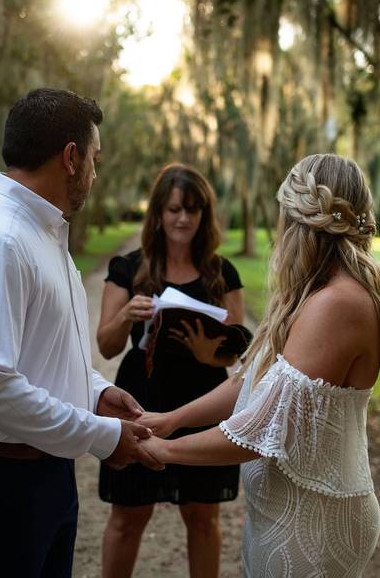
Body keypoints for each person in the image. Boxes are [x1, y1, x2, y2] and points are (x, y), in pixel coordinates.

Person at [0, 88, 163, 578]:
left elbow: (44, 348)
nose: (96, 173)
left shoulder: (42, 232)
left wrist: (94, 393)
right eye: (95, 159)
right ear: (71, 158)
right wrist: (101, 436)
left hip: (44, 472)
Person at [138, 153, 380, 577]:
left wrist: (166, 451)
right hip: (286, 513)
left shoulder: (337, 304)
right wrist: (171, 420)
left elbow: (263, 427)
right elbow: (251, 381)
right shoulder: (311, 293)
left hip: (313, 521)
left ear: (296, 219)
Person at [97, 163, 249, 578]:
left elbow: (236, 356)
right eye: (174, 209)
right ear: (158, 213)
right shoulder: (128, 268)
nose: (183, 218)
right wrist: (127, 314)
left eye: (193, 210)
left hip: (202, 400)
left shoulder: (221, 272)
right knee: (129, 516)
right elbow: (106, 345)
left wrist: (210, 355)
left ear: (205, 215)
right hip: (140, 396)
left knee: (202, 518)